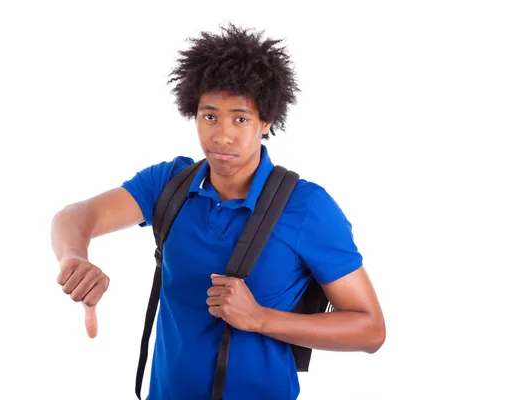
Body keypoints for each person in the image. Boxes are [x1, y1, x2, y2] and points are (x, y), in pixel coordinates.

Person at [51, 24, 385, 400]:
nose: (222, 135)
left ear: (266, 123)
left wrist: (260, 318)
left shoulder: (307, 206)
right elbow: (75, 216)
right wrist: (74, 257)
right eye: (209, 116)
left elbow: (370, 330)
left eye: (240, 119)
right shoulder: (168, 183)